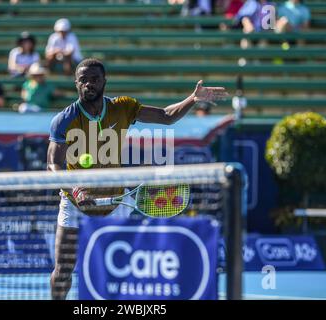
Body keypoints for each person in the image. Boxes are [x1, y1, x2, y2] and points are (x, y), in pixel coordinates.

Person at [47, 58, 228, 299]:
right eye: (83, 80)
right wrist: (76, 190)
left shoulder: (123, 107)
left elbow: (166, 116)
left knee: (119, 269)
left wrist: (192, 99)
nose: (89, 84)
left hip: (117, 204)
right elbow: (53, 164)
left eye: (94, 79)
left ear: (104, 82)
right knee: (63, 269)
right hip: (75, 204)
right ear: (76, 83)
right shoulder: (64, 119)